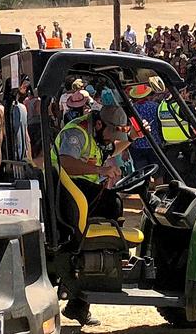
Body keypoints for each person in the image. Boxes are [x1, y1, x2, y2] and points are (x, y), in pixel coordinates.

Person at [52, 105, 146, 327]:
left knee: (113, 202)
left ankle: (79, 304)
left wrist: (131, 137)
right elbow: (66, 162)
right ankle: (114, 254)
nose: (112, 139)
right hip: (64, 195)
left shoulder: (98, 135)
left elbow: (111, 150)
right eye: (111, 133)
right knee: (113, 204)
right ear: (99, 124)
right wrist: (102, 171)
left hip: (79, 193)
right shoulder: (77, 133)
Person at [158, 86, 196, 188]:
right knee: (191, 185)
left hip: (169, 151)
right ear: (182, 92)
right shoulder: (183, 107)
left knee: (173, 183)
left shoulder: (161, 106)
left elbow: (160, 128)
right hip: (186, 151)